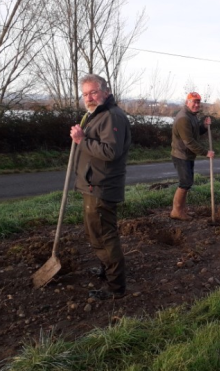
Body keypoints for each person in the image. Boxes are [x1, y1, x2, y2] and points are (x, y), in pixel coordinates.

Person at [70, 74, 131, 300]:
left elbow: (110, 151)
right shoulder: (96, 115)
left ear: (106, 92)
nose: (89, 98)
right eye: (85, 94)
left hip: (101, 186)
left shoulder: (111, 116)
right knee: (95, 232)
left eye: (93, 92)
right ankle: (107, 271)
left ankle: (116, 288)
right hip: (93, 184)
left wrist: (82, 140)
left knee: (104, 236)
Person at [170, 92, 215, 220]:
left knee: (187, 183)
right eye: (194, 102)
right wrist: (205, 152)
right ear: (187, 102)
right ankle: (176, 211)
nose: (196, 105)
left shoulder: (192, 115)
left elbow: (194, 133)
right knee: (185, 183)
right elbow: (189, 142)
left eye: (198, 102)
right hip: (181, 155)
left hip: (187, 155)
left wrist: (204, 127)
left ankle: (181, 210)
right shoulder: (184, 118)